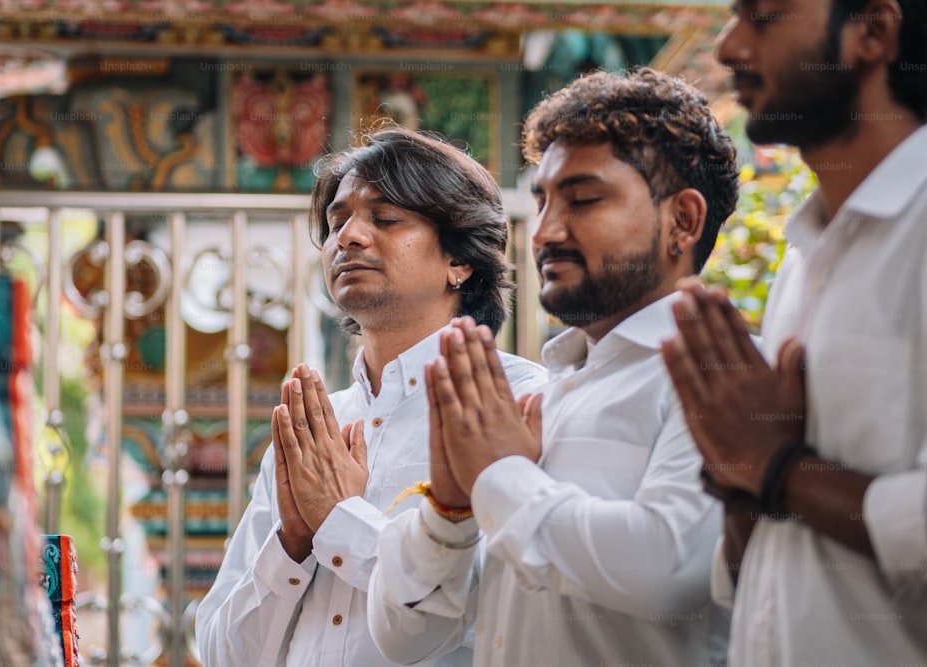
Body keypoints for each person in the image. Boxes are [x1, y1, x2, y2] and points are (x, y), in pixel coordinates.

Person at [367, 67, 739, 666]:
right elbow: (407, 639)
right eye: (540, 200)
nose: (544, 232)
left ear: (684, 221)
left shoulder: (721, 374)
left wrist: (497, 476)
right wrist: (449, 510)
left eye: (584, 200)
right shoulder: (554, 392)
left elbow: (668, 568)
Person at [195, 127, 545, 666]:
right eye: (337, 222)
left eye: (385, 218)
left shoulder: (520, 406)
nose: (349, 237)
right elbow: (224, 653)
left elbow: (491, 609)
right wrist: (291, 542)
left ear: (460, 259)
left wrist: (338, 518)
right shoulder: (314, 429)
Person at [660, 0, 927, 664]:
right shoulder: (804, 258)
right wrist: (738, 479)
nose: (727, 48)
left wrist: (776, 466)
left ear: (874, 31)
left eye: (765, 17)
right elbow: (766, 557)